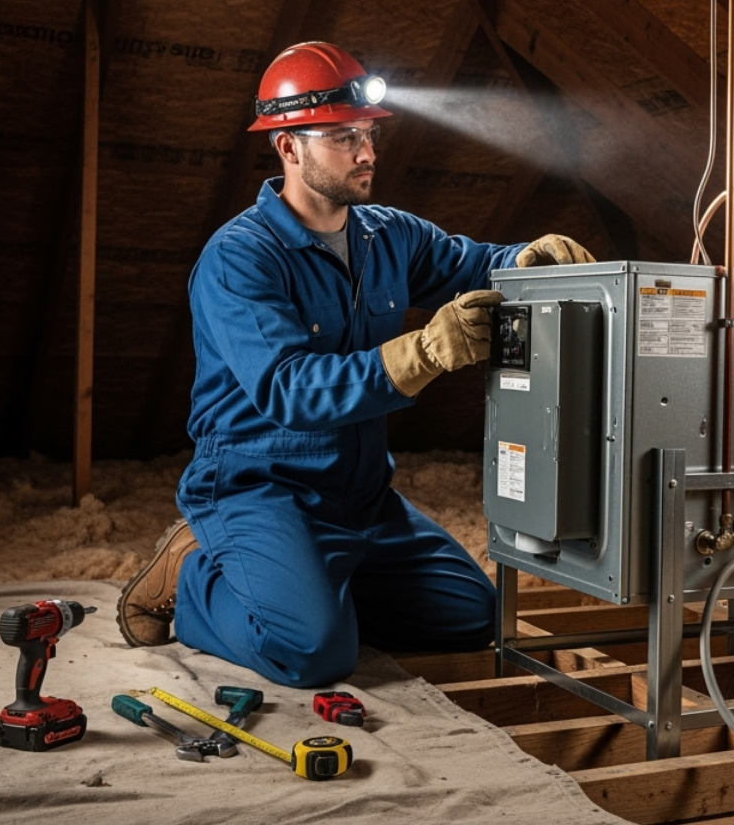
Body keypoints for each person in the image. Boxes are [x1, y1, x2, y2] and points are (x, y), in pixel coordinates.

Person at [115, 41, 594, 688]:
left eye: (367, 134)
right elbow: (289, 390)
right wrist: (423, 351)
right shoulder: (240, 259)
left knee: (471, 614)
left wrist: (530, 256)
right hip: (260, 489)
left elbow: (477, 263)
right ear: (289, 147)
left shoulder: (388, 235)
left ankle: (309, 589)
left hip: (359, 494)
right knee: (312, 653)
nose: (367, 153)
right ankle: (196, 573)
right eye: (344, 138)